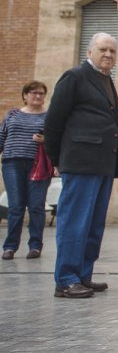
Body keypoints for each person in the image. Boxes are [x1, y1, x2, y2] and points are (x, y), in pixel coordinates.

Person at [43, 32, 118, 299]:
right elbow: (54, 121)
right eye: (103, 49)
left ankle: (83, 275)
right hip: (80, 162)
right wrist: (56, 159)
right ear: (89, 51)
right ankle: (66, 279)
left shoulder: (106, 80)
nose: (108, 55)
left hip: (103, 163)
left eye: (112, 51)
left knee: (93, 225)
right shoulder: (75, 76)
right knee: (74, 222)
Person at [2, 80, 51, 260]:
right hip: (12, 163)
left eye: (41, 93)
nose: (38, 96)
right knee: (15, 207)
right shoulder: (13, 114)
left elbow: (58, 140)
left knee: (36, 206)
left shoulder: (49, 117)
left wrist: (45, 140)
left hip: (37, 165)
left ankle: (35, 246)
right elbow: (2, 136)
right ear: (25, 96)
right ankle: (10, 247)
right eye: (33, 92)